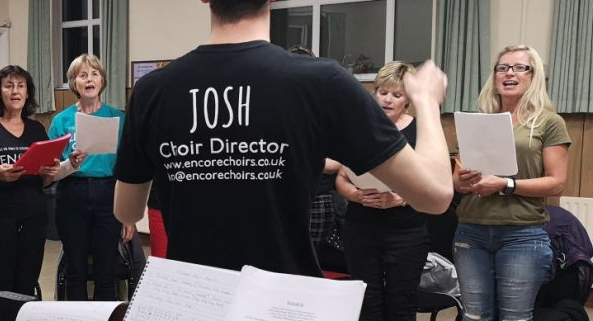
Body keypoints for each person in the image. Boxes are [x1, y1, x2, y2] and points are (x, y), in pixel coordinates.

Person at [113, 0, 453, 277]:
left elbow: (126, 209)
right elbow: (435, 196)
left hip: (199, 296)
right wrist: (425, 100)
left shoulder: (151, 91)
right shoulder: (321, 82)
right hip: (284, 298)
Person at [453, 45, 570, 321]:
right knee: (474, 317)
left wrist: (506, 184)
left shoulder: (549, 122)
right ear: (494, 76)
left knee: (515, 317)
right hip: (471, 230)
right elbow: (456, 181)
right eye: (503, 67)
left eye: (520, 67)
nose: (510, 73)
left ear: (534, 76)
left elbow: (556, 183)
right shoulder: (477, 120)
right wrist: (465, 181)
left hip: (522, 234)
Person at [335, 61, 430, 321]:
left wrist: (400, 198)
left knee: (401, 301)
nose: (388, 100)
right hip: (361, 227)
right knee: (367, 300)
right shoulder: (358, 127)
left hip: (406, 230)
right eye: (383, 93)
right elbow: (342, 178)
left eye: (397, 95)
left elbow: (433, 184)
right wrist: (353, 194)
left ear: (408, 100)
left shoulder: (421, 132)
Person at [0, 65, 59, 299]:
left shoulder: (37, 129)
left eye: (20, 86)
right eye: (8, 86)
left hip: (34, 219)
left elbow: (45, 182)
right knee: (0, 287)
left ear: (28, 93)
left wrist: (51, 171)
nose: (15, 91)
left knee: (26, 285)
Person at [48, 54, 134, 301]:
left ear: (102, 81)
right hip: (71, 195)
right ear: (74, 83)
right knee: (75, 270)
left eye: (94, 74)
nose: (89, 79)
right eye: (82, 75)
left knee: (105, 271)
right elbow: (51, 171)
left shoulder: (117, 118)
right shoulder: (61, 121)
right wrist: (71, 164)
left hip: (109, 195)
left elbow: (126, 170)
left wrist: (129, 216)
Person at [288, 44, 348, 274]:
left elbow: (336, 163)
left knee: (306, 264)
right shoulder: (277, 107)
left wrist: (300, 157)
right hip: (282, 197)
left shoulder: (326, 111)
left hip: (317, 200)